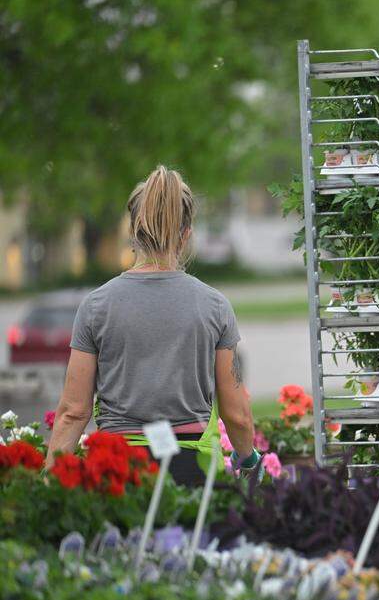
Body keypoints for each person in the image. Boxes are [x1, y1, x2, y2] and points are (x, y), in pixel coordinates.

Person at [46, 165, 262, 485]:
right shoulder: (214, 306)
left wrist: (48, 481)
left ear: (131, 233)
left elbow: (73, 412)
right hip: (192, 467)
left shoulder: (96, 306)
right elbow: (237, 415)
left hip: (118, 467)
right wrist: (249, 461)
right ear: (186, 235)